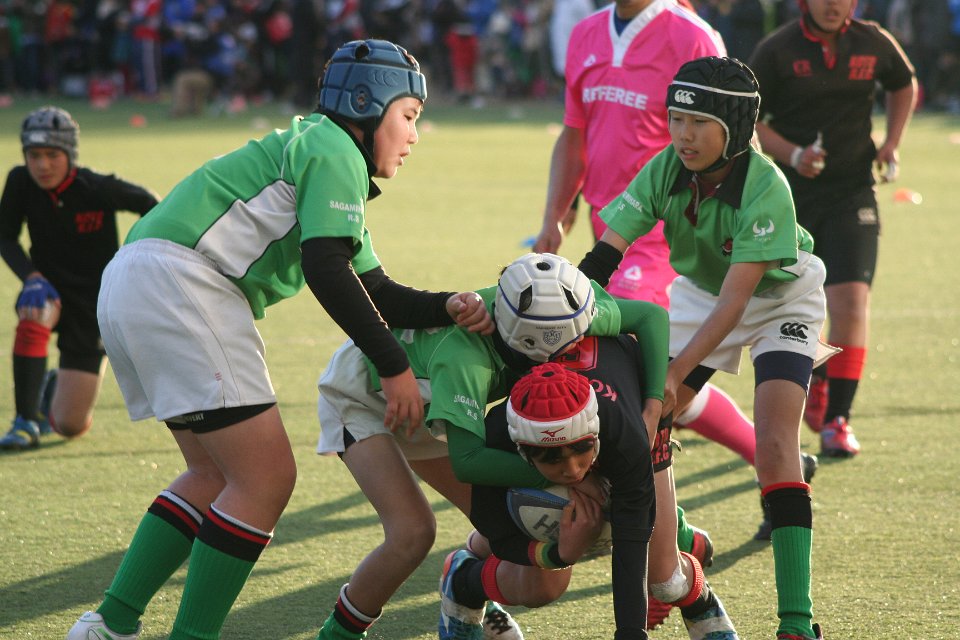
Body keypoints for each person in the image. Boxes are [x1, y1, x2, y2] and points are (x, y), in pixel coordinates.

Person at [66, 39, 492, 640]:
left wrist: (449, 306)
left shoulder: (316, 152)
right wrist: (393, 365)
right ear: (366, 106)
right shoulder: (334, 147)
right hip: (185, 283)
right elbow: (327, 269)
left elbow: (376, 290)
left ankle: (109, 622)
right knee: (265, 479)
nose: (415, 135)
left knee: (212, 474)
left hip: (136, 276)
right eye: (409, 115)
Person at [577, 56, 831, 640]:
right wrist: (556, 307)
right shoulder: (666, 166)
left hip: (782, 298)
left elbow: (737, 304)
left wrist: (677, 373)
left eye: (699, 123)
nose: (683, 135)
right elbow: (604, 257)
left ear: (734, 129)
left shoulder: (766, 185)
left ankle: (796, 622)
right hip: (700, 294)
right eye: (676, 119)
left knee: (775, 444)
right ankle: (679, 540)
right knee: (639, 428)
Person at [314, 252, 669, 640]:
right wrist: (567, 475)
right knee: (412, 533)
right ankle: (337, 635)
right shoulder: (466, 358)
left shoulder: (561, 311)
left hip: (445, 409)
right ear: (523, 340)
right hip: (366, 400)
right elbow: (467, 461)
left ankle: (464, 581)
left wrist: (652, 404)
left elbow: (649, 317)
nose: (574, 353)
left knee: (545, 582)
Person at [530, 0, 765, 524]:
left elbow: (735, 147)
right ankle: (762, 456)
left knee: (629, 381)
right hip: (609, 233)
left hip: (666, 236)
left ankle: (667, 536)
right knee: (650, 379)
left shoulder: (692, 36)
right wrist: (555, 215)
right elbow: (574, 133)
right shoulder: (585, 33)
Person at [443, 349, 740, 640]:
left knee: (666, 580)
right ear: (521, 451)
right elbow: (497, 529)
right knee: (541, 590)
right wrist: (559, 554)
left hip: (635, 415)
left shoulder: (626, 437)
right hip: (442, 405)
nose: (572, 470)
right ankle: (463, 580)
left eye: (581, 449)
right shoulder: (496, 439)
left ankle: (703, 606)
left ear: (594, 433)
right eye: (552, 459)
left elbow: (631, 542)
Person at [749, 0, 917, 458]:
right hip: (790, 197)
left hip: (853, 192)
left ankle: (838, 420)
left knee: (851, 301)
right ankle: (818, 374)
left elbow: (904, 84)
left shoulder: (872, 41)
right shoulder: (777, 49)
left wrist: (892, 143)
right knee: (798, 305)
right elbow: (750, 120)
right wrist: (794, 155)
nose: (831, 4)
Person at [0, 106, 158, 452]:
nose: (42, 165)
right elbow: (5, 237)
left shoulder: (97, 187)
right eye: (33, 155)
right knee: (34, 309)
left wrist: (134, 260)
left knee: (69, 425)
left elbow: (152, 205)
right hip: (49, 291)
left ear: (69, 154)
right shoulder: (20, 181)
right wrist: (32, 277)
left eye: (52, 155)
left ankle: (51, 393)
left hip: (94, 305)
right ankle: (24, 422)